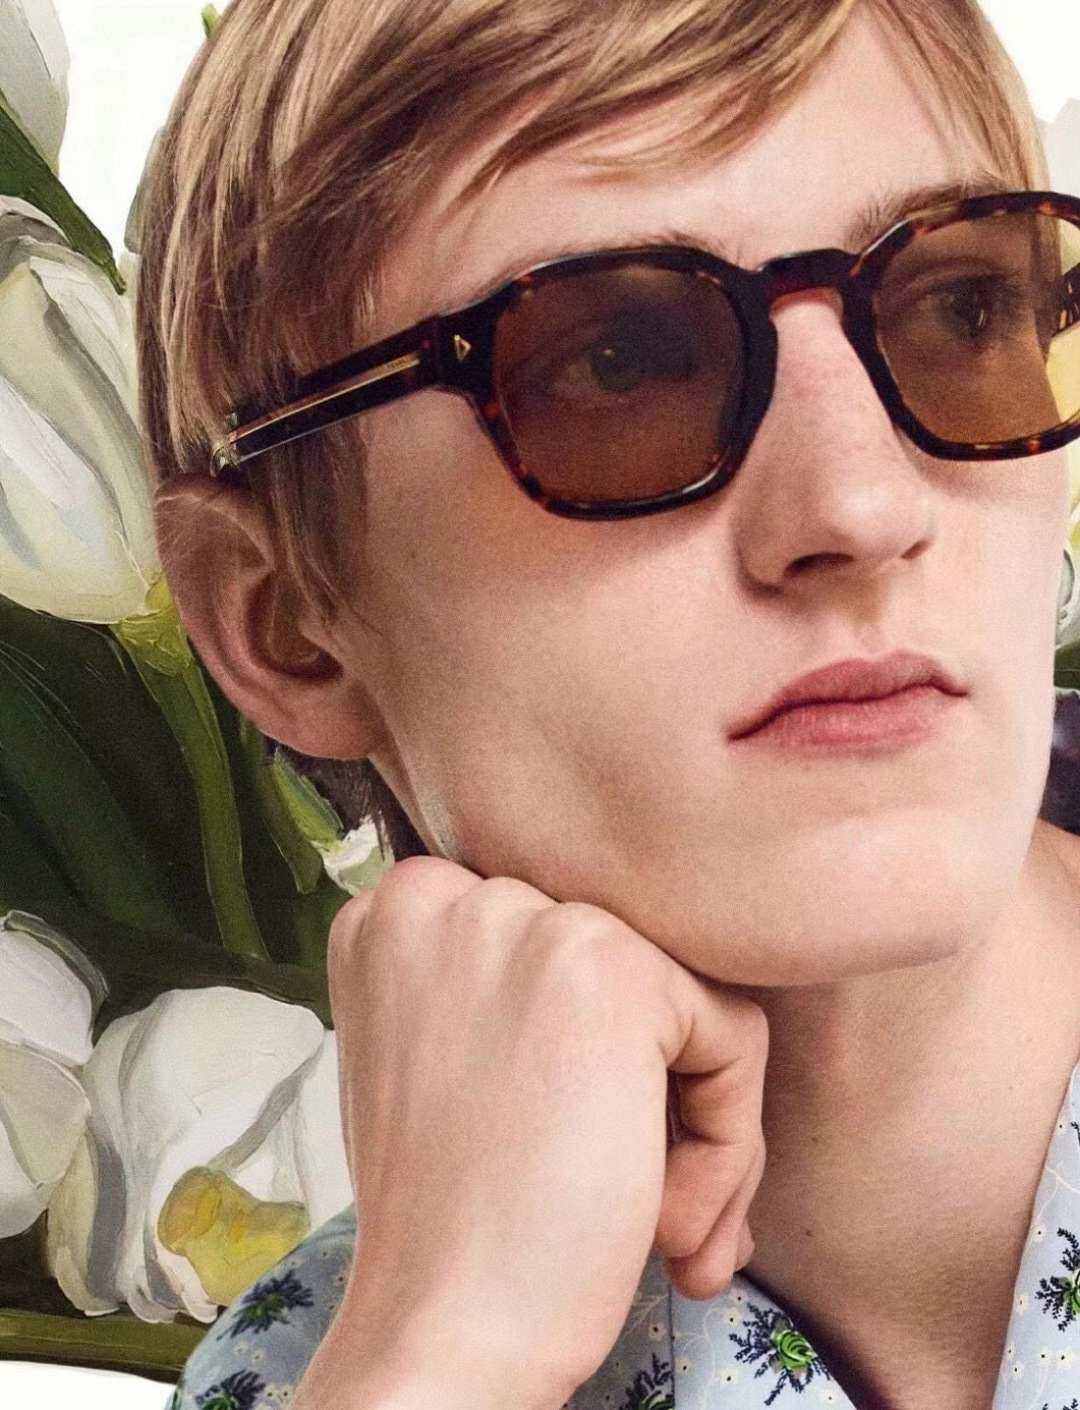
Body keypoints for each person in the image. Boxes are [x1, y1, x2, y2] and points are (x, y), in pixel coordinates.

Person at [136, 0, 1080, 1406]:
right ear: (285, 626)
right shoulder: (327, 1362)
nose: (861, 507)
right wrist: (447, 1352)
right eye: (616, 362)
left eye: (960, 307)